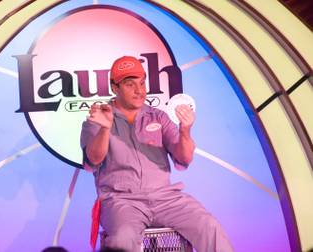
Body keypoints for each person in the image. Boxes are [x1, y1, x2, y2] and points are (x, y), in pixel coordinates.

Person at [80, 56, 233, 252]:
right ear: (114, 87)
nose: (139, 90)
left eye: (142, 83)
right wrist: (104, 129)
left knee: (208, 225)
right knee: (123, 239)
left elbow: (184, 158)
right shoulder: (98, 119)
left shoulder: (158, 116)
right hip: (122, 201)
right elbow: (93, 160)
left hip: (165, 198)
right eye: (130, 84)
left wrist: (185, 129)